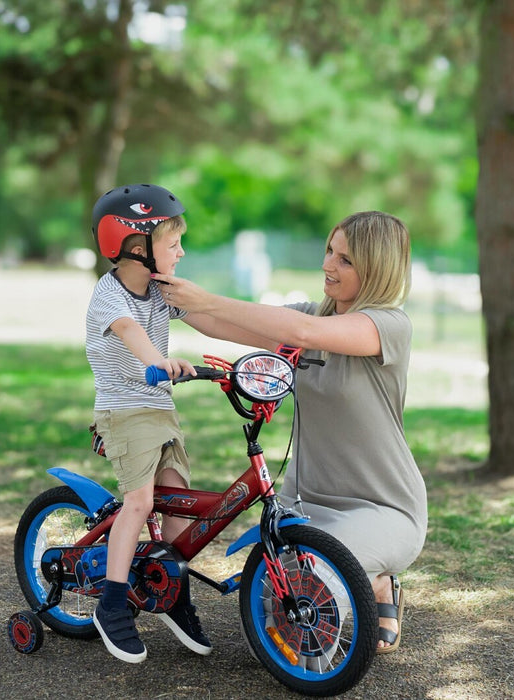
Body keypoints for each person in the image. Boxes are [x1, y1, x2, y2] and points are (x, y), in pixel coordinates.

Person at [153, 210, 427, 654]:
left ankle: (378, 577)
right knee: (276, 604)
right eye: (329, 251)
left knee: (311, 601)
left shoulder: (388, 325)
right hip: (306, 504)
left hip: (382, 505)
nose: (327, 266)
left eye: (345, 260)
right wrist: (166, 291)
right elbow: (227, 323)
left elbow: (302, 331)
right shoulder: (309, 316)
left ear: (376, 269)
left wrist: (205, 298)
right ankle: (371, 576)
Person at [85, 183, 211, 664]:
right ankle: (112, 603)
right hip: (124, 410)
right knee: (140, 502)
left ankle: (172, 592)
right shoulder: (109, 294)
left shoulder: (160, 289)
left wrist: (274, 340)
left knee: (179, 502)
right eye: (173, 242)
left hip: (160, 411)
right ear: (137, 248)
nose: (182, 251)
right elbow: (130, 332)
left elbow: (207, 318)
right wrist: (159, 361)